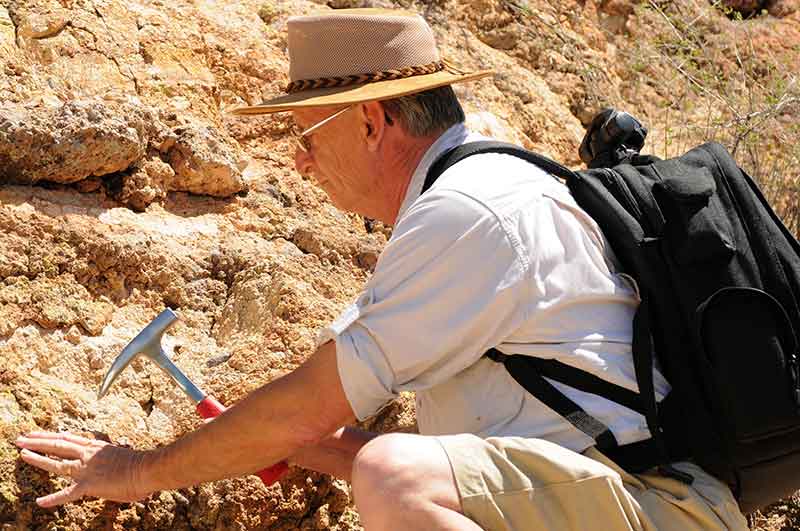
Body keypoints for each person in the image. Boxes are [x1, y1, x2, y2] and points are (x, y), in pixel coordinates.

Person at [15, 9, 749, 530]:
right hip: (628, 500)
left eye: (306, 134)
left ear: (371, 121)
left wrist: (137, 470)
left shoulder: (468, 212)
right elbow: (502, 459)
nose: (298, 161)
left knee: (396, 477)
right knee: (395, 465)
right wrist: (302, 443)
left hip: (659, 509)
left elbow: (318, 404)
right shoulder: (494, 185)